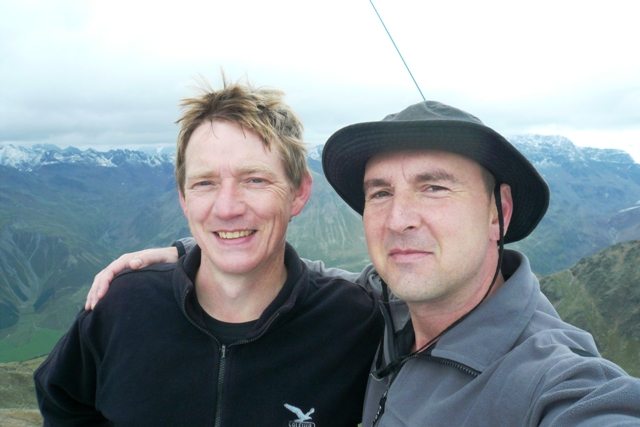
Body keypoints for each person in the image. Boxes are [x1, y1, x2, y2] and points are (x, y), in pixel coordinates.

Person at [84, 101, 640, 426]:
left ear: (500, 211)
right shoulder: (384, 308)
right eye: (380, 193)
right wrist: (197, 256)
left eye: (435, 188)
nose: (399, 219)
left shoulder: (550, 382)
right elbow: (309, 278)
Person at [33, 79, 383, 427]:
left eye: (255, 180)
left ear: (299, 192)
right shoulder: (119, 307)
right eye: (205, 183)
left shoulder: (354, 322)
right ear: (184, 199)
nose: (227, 208)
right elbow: (63, 402)